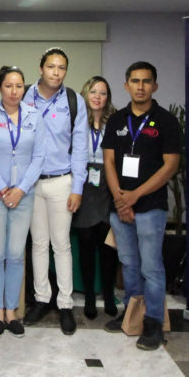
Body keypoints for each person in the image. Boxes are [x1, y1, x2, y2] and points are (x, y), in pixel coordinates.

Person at [102, 61, 180, 350]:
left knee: (151, 267)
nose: (140, 86)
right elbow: (109, 161)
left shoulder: (166, 121)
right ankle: (132, 314)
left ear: (154, 86)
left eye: (146, 81)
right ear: (126, 86)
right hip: (120, 205)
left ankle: (153, 323)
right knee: (129, 264)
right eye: (135, 81)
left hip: (151, 207)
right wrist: (120, 199)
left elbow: (170, 166)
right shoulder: (116, 120)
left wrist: (134, 196)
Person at [0, 66, 46, 338]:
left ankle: (12, 311)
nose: (14, 91)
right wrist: (5, 189)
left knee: (15, 254)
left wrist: (20, 189)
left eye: (19, 86)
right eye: (8, 86)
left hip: (23, 196)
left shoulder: (34, 116)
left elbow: (39, 157)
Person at [21, 48, 88, 336]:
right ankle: (41, 299)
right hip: (30, 183)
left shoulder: (73, 100)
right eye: (51, 67)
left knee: (61, 245)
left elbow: (81, 147)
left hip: (62, 182)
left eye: (61, 68)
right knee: (38, 244)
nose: (56, 72)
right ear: (41, 68)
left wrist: (78, 187)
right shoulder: (24, 96)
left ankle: (65, 304)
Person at [71, 76, 119, 319]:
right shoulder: (76, 120)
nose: (98, 97)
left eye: (103, 92)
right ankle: (89, 295)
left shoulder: (116, 122)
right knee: (86, 245)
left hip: (108, 184)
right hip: (83, 184)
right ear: (85, 94)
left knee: (108, 246)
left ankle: (108, 294)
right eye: (93, 91)